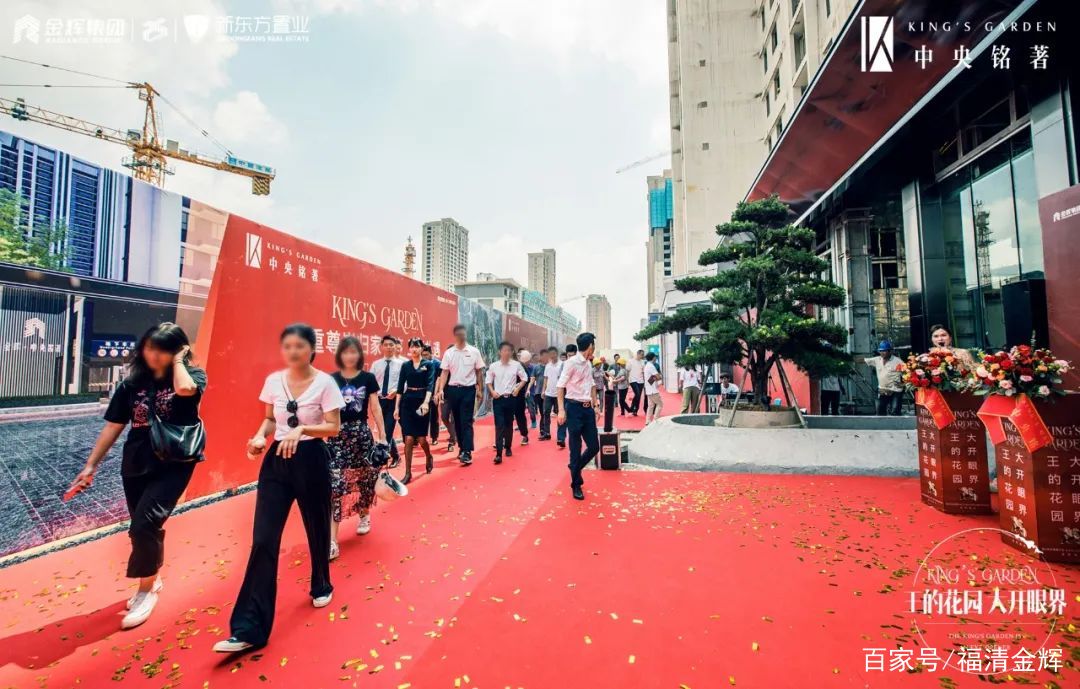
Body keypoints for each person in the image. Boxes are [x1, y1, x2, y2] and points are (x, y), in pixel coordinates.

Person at [215, 324, 344, 654]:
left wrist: (303, 429)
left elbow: (333, 426)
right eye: (287, 346)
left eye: (299, 346)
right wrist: (260, 438)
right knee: (263, 538)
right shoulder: (274, 381)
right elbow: (271, 420)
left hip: (311, 457)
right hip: (276, 461)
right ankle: (249, 627)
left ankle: (321, 583)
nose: (293, 352)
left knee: (317, 527)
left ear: (312, 350)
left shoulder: (325, 384)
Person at [67, 323, 205, 630]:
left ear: (177, 350)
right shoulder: (132, 385)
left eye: (163, 349)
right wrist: (91, 466)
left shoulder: (192, 376)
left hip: (175, 460)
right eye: (150, 347)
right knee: (141, 526)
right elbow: (114, 426)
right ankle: (153, 579)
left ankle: (145, 590)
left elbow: (185, 391)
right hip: (137, 460)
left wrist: (180, 361)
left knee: (146, 522)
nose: (154, 355)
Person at [327, 336, 386, 560]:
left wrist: (382, 436)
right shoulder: (331, 380)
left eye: (354, 352)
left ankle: (364, 514)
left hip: (361, 434)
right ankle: (332, 541)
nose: (350, 356)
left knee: (364, 479)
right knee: (336, 485)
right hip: (337, 436)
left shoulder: (368, 378)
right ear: (340, 355)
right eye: (345, 352)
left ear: (359, 355)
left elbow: (375, 408)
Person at [557, 333, 601, 501]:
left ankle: (575, 467)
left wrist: (596, 406)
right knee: (575, 449)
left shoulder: (588, 364)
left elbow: (591, 385)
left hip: (587, 409)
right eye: (594, 346)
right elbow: (560, 386)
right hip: (573, 408)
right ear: (590, 346)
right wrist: (561, 410)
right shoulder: (570, 363)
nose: (594, 350)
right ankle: (576, 484)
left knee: (594, 447)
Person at [435, 324, 485, 466]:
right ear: (455, 335)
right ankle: (462, 448)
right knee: (456, 420)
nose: (461, 336)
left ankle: (467, 452)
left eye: (463, 333)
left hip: (468, 390)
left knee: (466, 421)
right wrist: (440, 390)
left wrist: (480, 389)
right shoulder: (449, 353)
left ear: (466, 334)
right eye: (458, 334)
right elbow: (444, 372)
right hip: (452, 390)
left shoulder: (474, 351)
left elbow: (479, 372)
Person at [394, 338, 437, 484]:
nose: (414, 349)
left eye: (417, 347)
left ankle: (428, 455)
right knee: (409, 438)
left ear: (421, 349)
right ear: (409, 349)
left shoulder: (428, 365)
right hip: (407, 402)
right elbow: (400, 388)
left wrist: (426, 402)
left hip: (422, 402)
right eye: (412, 346)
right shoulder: (405, 366)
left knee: (421, 439)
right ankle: (408, 473)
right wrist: (396, 408)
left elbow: (430, 385)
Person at [487, 341, 528, 464]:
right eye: (504, 350)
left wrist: (517, 388)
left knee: (509, 424)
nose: (506, 352)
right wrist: (492, 391)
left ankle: (508, 447)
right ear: (500, 352)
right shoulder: (494, 366)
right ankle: (499, 454)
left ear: (512, 352)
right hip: (498, 399)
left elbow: (524, 378)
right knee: (499, 425)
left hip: (510, 398)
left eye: (509, 350)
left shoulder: (516, 365)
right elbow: (488, 381)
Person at [370, 336, 404, 466]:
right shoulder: (376, 364)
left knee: (388, 431)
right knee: (382, 430)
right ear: (381, 347)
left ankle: (380, 461)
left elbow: (405, 383)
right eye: (386, 345)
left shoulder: (402, 365)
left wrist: (396, 391)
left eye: (391, 344)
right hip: (379, 401)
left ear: (396, 347)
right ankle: (396, 456)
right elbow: (371, 383)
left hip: (394, 401)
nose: (389, 347)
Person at [863, 340, 905, 416]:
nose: (882, 353)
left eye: (884, 351)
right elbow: (863, 360)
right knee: (880, 412)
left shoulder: (898, 361)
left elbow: (907, 373)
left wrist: (903, 384)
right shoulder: (877, 359)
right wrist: (846, 359)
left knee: (895, 412)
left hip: (895, 391)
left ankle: (897, 427)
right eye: (880, 351)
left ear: (890, 351)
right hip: (883, 390)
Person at [539, 347, 564, 444]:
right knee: (546, 413)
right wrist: (543, 391)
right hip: (548, 394)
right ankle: (547, 433)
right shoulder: (547, 366)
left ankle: (560, 437)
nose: (552, 356)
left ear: (557, 354)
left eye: (553, 353)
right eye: (550, 354)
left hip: (559, 394)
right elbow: (545, 378)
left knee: (560, 414)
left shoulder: (562, 365)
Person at [421, 345, 442, 445]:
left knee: (434, 416)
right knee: (421, 415)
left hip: (433, 393)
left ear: (431, 354)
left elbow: (439, 378)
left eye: (426, 355)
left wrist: (437, 393)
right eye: (423, 355)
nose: (424, 357)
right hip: (422, 393)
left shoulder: (437, 364)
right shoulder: (420, 363)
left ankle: (434, 437)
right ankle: (421, 437)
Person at [512, 348, 531, 446]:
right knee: (505, 417)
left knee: (520, 416)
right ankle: (502, 439)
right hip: (505, 396)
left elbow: (526, 378)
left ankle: (524, 435)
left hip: (518, 396)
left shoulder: (520, 365)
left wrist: (517, 386)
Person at [643, 352, 663, 423]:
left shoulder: (647, 366)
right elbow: (658, 377)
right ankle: (655, 420)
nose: (656, 358)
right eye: (655, 357)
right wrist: (658, 377)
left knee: (651, 406)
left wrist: (655, 377)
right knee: (660, 404)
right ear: (653, 357)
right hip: (653, 390)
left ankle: (648, 421)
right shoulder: (651, 366)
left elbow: (650, 380)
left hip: (649, 389)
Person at [627, 349, 646, 416]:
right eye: (642, 354)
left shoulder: (643, 362)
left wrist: (645, 381)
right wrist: (627, 381)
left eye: (643, 354)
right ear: (638, 354)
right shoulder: (630, 361)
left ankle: (635, 410)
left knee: (638, 396)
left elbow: (644, 372)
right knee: (637, 394)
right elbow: (627, 371)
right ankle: (632, 408)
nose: (643, 356)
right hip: (633, 380)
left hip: (641, 381)